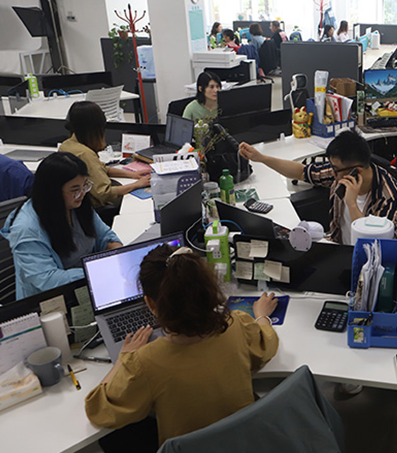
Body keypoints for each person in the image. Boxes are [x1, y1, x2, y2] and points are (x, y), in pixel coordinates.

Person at [85, 244, 280, 450]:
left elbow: (98, 409)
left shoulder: (144, 362)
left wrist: (124, 357)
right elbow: (267, 342)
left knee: (112, 438)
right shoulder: (237, 324)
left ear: (150, 304)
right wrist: (261, 315)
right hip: (242, 444)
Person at [239, 129, 397, 244]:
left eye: (335, 169)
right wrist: (261, 158)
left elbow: (376, 245)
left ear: (356, 171)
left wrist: (352, 204)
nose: (332, 173)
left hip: (365, 263)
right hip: (336, 248)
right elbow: (301, 172)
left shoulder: (389, 195)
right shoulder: (340, 172)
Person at [0, 153, 122, 299]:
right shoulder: (27, 229)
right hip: (49, 301)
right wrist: (97, 271)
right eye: (75, 189)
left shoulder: (77, 205)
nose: (82, 193)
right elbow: (48, 280)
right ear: (52, 191)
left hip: (87, 286)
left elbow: (105, 236)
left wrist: (117, 252)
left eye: (85, 186)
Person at [58, 102, 151, 208]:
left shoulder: (67, 145)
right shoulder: (85, 154)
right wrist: (137, 184)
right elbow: (104, 193)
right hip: (95, 207)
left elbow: (101, 168)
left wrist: (132, 174)